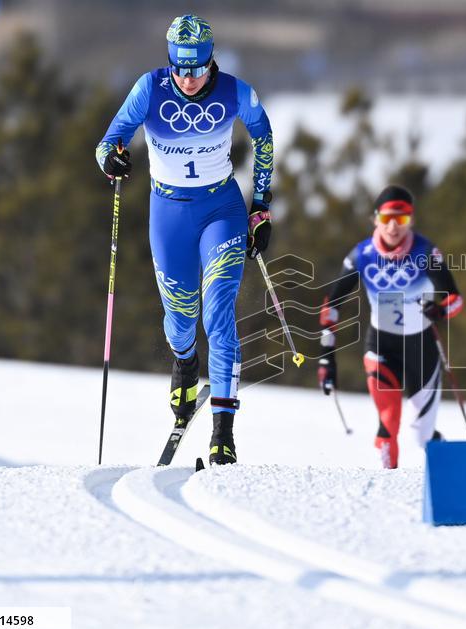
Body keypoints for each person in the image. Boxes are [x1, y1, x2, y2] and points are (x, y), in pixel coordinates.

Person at [95, 14, 273, 465]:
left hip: (222, 212)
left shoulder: (236, 91)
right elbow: (108, 141)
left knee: (218, 314)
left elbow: (263, 135)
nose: (188, 79)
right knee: (180, 319)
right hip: (169, 213)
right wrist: (110, 160)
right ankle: (186, 363)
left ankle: (223, 434)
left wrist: (261, 205)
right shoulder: (149, 90)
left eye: (196, 69)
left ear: (210, 61)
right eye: (180, 68)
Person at [318, 186, 463, 468]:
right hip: (381, 345)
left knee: (421, 437)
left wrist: (440, 310)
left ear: (412, 220)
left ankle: (451, 468)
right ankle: (386, 491)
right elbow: (331, 305)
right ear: (375, 220)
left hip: (421, 348)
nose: (394, 227)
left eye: (403, 218)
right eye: (387, 219)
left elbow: (456, 299)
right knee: (388, 421)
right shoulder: (362, 255)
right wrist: (327, 357)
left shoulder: (425, 252)